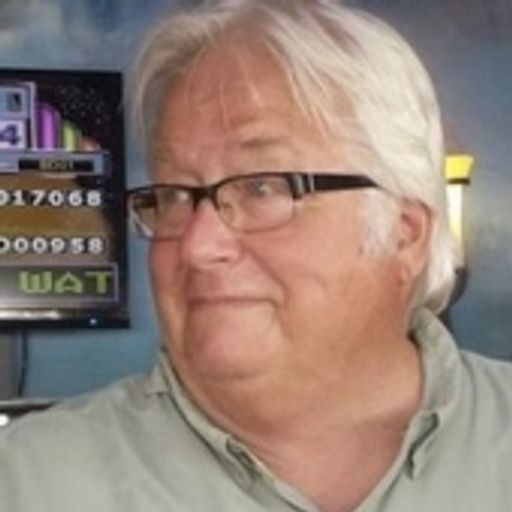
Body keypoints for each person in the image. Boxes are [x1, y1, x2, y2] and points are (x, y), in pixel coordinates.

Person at [1, 1, 511, 511]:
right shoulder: (29, 483)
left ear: (405, 234)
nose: (198, 247)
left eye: (263, 188)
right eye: (174, 196)